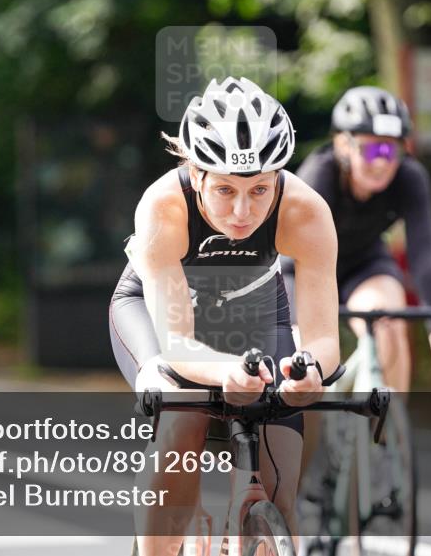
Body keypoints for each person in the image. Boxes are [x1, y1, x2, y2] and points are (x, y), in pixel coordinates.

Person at [109, 77, 342, 555]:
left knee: (280, 484)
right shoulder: (162, 207)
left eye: (260, 190)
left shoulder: (306, 211)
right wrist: (226, 372)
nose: (242, 211)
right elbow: (176, 342)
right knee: (181, 417)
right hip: (159, 316)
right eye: (224, 190)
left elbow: (323, 341)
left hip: (257, 310)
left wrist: (310, 372)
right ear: (195, 175)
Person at [282, 86, 431, 393]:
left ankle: (389, 433)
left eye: (391, 151)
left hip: (363, 264)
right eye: (372, 150)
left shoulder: (410, 177)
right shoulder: (318, 176)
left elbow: (423, 260)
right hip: (303, 269)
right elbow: (291, 260)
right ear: (344, 145)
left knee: (389, 326)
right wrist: (290, 328)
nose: (382, 162)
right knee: (300, 362)